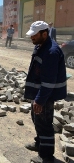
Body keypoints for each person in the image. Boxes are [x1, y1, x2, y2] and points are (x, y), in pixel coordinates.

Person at [24, 21, 67, 163]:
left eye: (34, 35)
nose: (32, 38)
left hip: (46, 95)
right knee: (37, 119)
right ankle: (39, 144)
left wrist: (40, 100)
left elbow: (49, 81)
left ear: (44, 33)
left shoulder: (51, 51)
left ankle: (46, 156)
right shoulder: (41, 46)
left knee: (44, 123)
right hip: (40, 93)